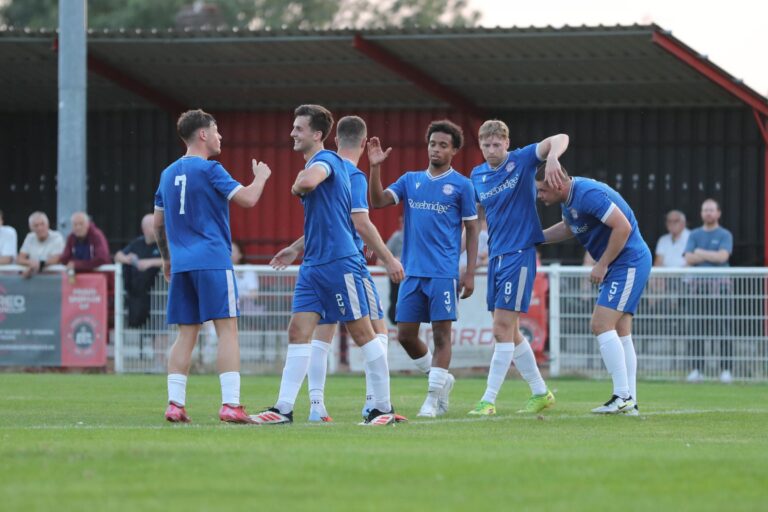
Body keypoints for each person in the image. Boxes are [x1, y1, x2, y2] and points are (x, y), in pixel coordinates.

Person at [251, 105, 396, 426]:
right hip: (313, 264)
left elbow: (309, 182)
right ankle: (283, 408)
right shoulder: (330, 164)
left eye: (298, 128)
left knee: (362, 333)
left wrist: (299, 183)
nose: (292, 133)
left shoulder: (326, 160)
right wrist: (295, 248)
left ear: (317, 135)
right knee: (298, 331)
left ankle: (382, 408)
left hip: (339, 262)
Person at [154, 108, 272, 424]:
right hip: (212, 261)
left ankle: (175, 404)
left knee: (186, 333)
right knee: (227, 330)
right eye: (217, 130)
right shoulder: (210, 169)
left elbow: (158, 223)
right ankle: (230, 404)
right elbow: (247, 199)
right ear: (203, 134)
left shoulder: (167, 174)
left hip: (182, 265)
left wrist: (167, 258)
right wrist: (260, 178)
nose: (221, 136)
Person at [368, 119, 480, 418]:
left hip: (443, 273)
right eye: (433, 144)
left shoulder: (462, 185)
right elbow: (377, 201)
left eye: (443, 145)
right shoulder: (410, 180)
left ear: (454, 150)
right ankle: (442, 379)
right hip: (412, 273)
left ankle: (432, 398)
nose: (436, 149)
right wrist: (376, 167)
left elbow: (472, 229)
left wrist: (468, 271)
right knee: (405, 334)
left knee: (442, 336)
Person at [536, 165, 651, 415]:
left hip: (628, 261)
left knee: (600, 324)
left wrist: (602, 264)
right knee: (621, 330)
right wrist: (535, 237)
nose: (540, 195)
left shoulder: (587, 194)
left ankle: (622, 396)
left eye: (543, 189)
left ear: (558, 184)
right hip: (622, 263)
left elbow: (623, 228)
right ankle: (630, 402)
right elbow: (568, 228)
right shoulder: (569, 200)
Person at [467, 120, 562, 416]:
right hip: (496, 257)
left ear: (507, 144)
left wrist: (554, 157)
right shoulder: (477, 175)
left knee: (500, 329)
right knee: (512, 331)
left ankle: (488, 400)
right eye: (486, 145)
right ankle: (540, 392)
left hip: (519, 254)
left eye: (497, 144)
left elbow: (558, 136)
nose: (492, 150)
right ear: (480, 146)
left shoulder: (521, 160)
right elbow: (476, 215)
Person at [683, 198, 734, 384]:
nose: (708, 213)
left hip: (720, 289)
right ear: (701, 213)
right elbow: (688, 257)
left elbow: (723, 257)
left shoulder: (725, 234)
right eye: (705, 210)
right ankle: (697, 369)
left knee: (723, 329)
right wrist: (709, 255)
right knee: (696, 329)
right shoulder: (694, 234)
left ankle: (726, 370)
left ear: (718, 213)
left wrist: (700, 253)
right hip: (698, 289)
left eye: (712, 210)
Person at [115, 214, 163, 327]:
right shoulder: (137, 243)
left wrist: (150, 263)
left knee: (160, 327)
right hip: (140, 296)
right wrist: (128, 259)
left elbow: (173, 261)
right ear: (144, 229)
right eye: (153, 226)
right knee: (141, 327)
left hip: (160, 295)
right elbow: (118, 256)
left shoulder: (164, 242)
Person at [59, 212, 111, 280]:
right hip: (78, 281)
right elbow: (64, 258)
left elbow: (102, 258)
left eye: (81, 224)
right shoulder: (71, 238)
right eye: (75, 224)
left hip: (99, 280)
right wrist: (73, 264)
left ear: (87, 224)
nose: (78, 227)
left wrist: (77, 265)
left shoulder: (97, 236)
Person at [17, 211, 65, 278]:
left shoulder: (57, 237)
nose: (40, 228)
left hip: (53, 278)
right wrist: (31, 263)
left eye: (42, 224)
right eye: (36, 225)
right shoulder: (29, 237)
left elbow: (56, 259)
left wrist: (37, 265)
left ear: (48, 225)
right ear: (31, 228)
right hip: (33, 278)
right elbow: (20, 258)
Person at [382, 216, 404, 325]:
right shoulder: (397, 238)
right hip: (397, 283)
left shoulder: (421, 238)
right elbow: (380, 260)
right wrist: (394, 260)